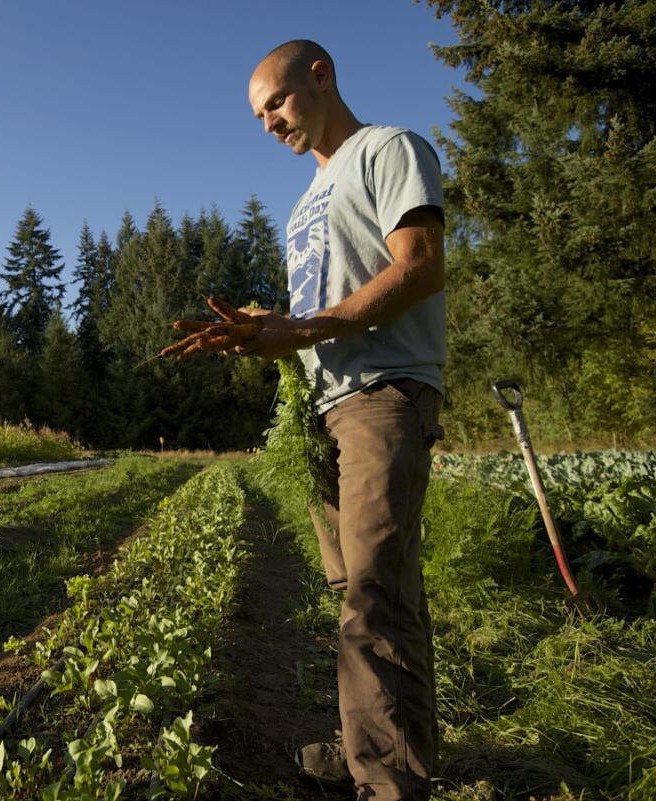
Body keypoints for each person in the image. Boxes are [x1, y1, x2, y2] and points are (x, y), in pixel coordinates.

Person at [168, 40, 446, 800]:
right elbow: (312, 317)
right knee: (363, 588)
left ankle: (384, 780)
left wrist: (306, 328)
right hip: (325, 409)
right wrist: (269, 329)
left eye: (278, 103)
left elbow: (420, 263)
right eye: (259, 117)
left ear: (320, 76)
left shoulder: (386, 149)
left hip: (384, 395)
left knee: (374, 598)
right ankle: (377, 745)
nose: (268, 125)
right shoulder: (303, 204)